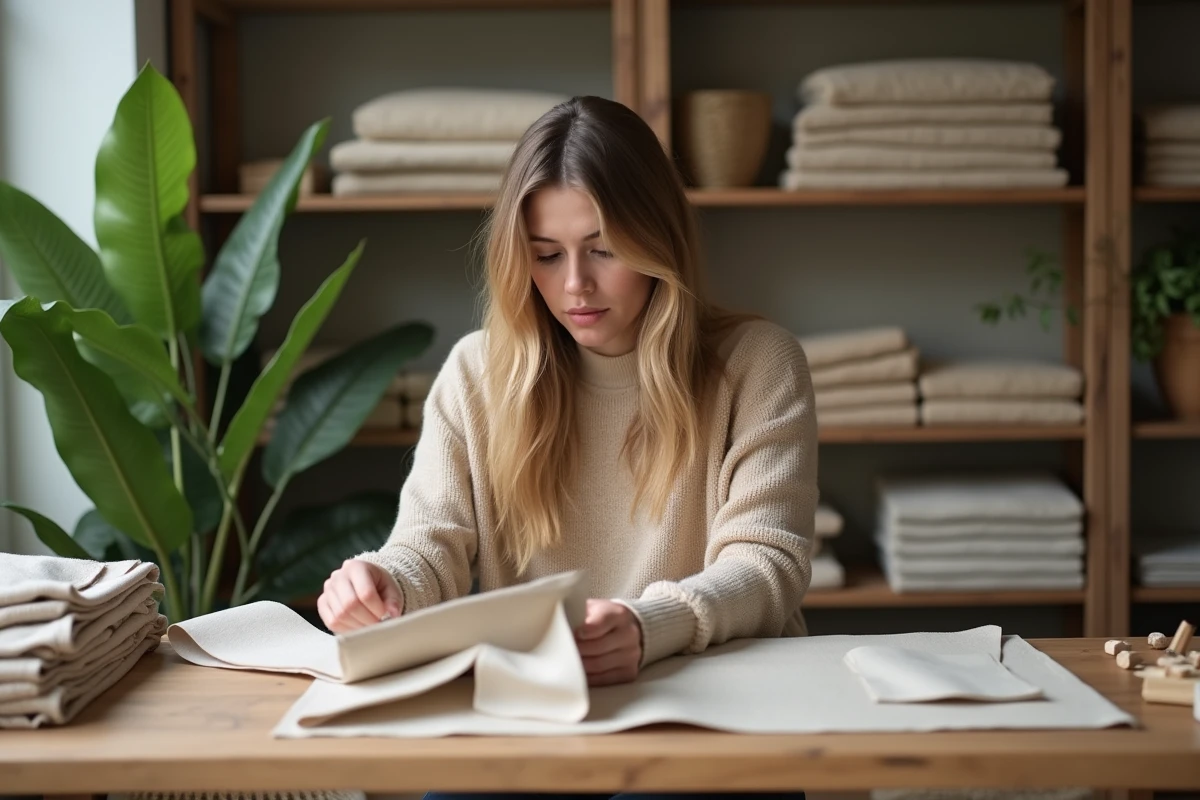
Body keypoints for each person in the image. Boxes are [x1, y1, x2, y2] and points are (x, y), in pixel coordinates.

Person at [317, 95, 817, 732]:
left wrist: (650, 624)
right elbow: (431, 544)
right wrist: (383, 583)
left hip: (728, 705)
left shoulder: (758, 364)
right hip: (543, 712)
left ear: (658, 240)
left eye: (603, 249)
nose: (575, 284)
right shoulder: (476, 373)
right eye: (547, 255)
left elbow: (767, 563)